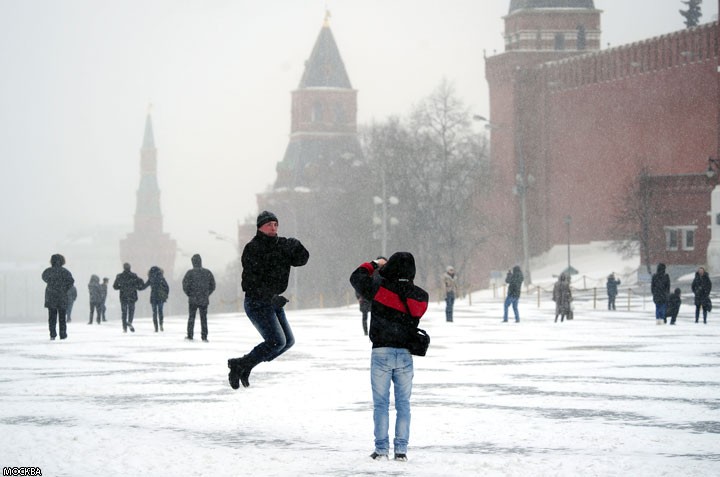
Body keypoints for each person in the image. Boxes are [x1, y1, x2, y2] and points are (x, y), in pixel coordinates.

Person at [350, 252, 429, 462]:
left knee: (381, 404)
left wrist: (375, 264)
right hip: (405, 354)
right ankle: (401, 450)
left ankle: (381, 450)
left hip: (381, 352)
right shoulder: (421, 296)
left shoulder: (378, 289)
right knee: (404, 404)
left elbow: (356, 277)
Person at [228, 211, 309, 389]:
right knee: (276, 342)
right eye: (269, 224)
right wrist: (270, 296)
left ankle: (244, 364)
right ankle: (239, 365)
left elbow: (301, 260)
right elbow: (249, 282)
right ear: (260, 227)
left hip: (273, 302)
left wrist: (298, 246)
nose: (273, 227)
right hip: (257, 302)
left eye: (275, 224)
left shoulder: (282, 245)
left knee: (287, 342)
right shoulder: (253, 248)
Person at [41, 254, 75, 340]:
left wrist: (52, 284)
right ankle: (62, 334)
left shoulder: (48, 271)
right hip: (62, 296)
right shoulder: (65, 272)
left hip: (51, 296)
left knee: (52, 317)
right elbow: (71, 282)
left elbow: (44, 277)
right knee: (62, 317)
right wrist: (64, 288)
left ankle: (52, 334)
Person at [182, 255, 215, 341]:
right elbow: (213, 285)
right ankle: (204, 336)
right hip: (204, 299)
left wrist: (189, 294)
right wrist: (207, 293)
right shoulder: (207, 272)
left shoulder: (189, 273)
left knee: (191, 318)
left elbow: (185, 285)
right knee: (203, 318)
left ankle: (190, 335)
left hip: (193, 299)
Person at [113, 263, 145, 333]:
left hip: (123, 296)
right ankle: (129, 322)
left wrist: (121, 287)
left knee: (124, 312)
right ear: (130, 268)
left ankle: (124, 328)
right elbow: (139, 283)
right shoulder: (134, 276)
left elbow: (115, 286)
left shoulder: (119, 276)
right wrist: (136, 287)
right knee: (131, 311)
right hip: (132, 296)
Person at [143, 266, 170, 332]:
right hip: (160, 297)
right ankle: (161, 324)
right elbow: (167, 287)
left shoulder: (151, 278)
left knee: (154, 312)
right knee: (160, 311)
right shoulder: (161, 278)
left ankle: (156, 327)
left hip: (153, 297)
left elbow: (144, 286)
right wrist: (166, 295)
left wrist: (138, 285)